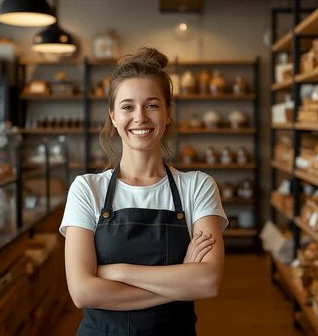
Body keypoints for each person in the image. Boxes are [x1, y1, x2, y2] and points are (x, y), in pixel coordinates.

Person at [59, 47, 228, 336]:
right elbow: (83, 292)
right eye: (127, 106)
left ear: (168, 113)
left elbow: (207, 281)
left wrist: (118, 271)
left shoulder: (197, 186)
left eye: (151, 105)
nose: (140, 117)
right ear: (113, 116)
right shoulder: (86, 189)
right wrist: (179, 283)